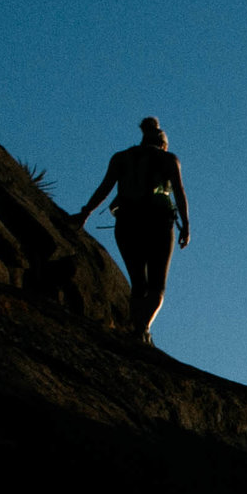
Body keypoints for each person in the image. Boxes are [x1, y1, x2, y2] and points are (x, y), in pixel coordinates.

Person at [70, 117, 191, 338]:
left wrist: (86, 212)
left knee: (138, 283)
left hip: (127, 221)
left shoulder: (121, 158)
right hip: (159, 222)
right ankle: (142, 329)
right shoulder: (168, 159)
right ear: (163, 144)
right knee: (157, 285)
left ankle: (137, 328)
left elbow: (105, 187)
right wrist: (186, 226)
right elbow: (179, 193)